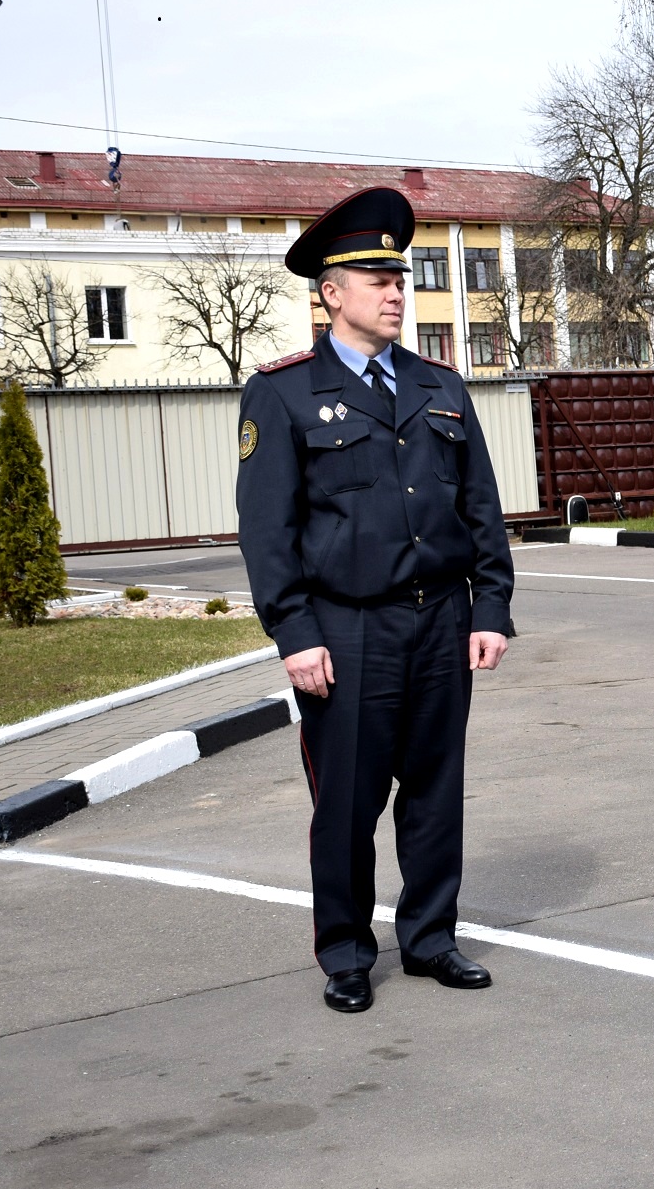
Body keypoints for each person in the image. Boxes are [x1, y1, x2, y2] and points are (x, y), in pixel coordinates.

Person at [236, 187, 515, 1013]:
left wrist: (491, 607)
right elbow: (267, 530)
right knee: (348, 802)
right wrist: (294, 631)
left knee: (434, 791)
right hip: (346, 630)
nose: (396, 289)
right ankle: (348, 953)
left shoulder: (440, 385)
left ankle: (430, 938)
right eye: (376, 277)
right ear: (331, 293)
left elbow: (481, 507)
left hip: (440, 623)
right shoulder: (283, 393)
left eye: (399, 275)